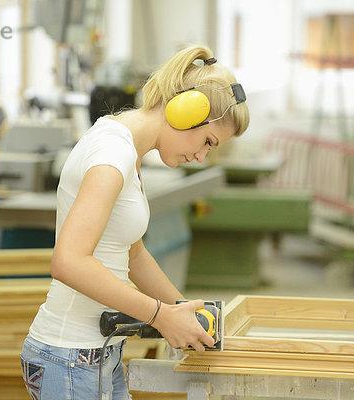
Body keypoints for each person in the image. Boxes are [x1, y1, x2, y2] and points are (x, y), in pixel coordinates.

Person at [20, 44, 249, 400]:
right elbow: (68, 262)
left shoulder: (127, 148)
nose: (202, 155)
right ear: (185, 111)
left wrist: (182, 312)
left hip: (97, 353)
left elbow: (133, 254)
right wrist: (159, 316)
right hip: (70, 357)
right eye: (207, 141)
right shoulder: (113, 153)